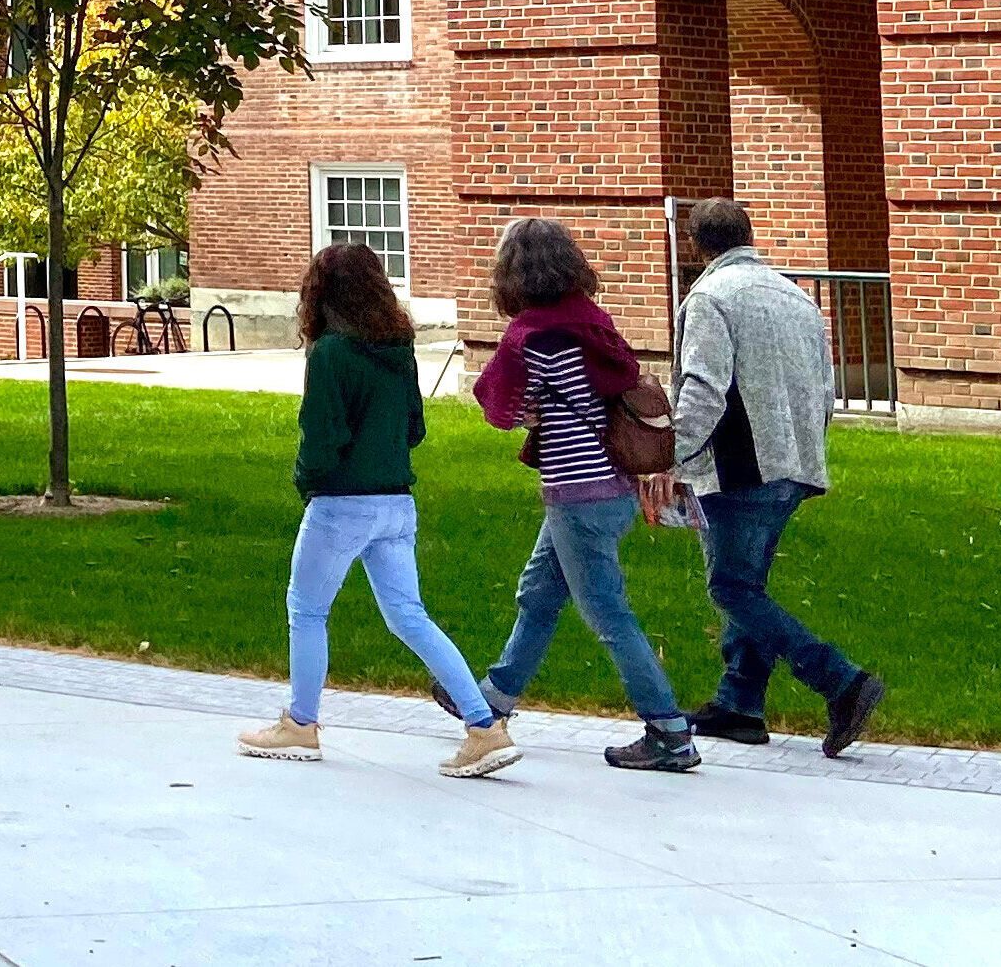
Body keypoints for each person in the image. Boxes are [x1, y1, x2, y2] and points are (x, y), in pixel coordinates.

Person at [238, 242, 521, 778]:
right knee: (409, 616)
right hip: (397, 503)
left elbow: (320, 439)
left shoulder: (330, 354)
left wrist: (308, 482)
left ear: (319, 295)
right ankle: (484, 727)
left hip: (341, 504)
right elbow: (414, 427)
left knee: (307, 609)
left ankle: (301, 725)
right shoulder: (400, 346)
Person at [467, 217, 698, 773]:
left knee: (607, 614)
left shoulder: (532, 337)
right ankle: (493, 698)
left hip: (576, 491)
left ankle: (670, 732)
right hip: (614, 484)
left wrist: (529, 411)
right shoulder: (594, 322)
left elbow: (498, 407)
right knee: (539, 593)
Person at [673, 198, 885, 756]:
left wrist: (669, 456)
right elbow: (825, 390)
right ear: (748, 234)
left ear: (698, 246)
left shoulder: (710, 298)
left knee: (731, 586)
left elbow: (701, 387)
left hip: (740, 469)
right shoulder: (796, 296)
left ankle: (842, 682)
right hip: (796, 462)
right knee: (749, 586)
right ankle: (740, 703)